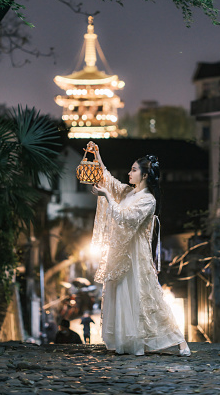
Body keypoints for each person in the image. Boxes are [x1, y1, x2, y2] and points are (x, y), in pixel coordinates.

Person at [89, 141, 190, 357]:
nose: (129, 173)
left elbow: (126, 219)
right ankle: (126, 341)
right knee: (123, 296)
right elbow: (110, 182)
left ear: (144, 175)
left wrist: (107, 196)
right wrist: (97, 156)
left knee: (147, 297)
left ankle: (180, 341)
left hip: (136, 256)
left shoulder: (148, 200)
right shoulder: (130, 193)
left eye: (134, 170)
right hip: (122, 253)